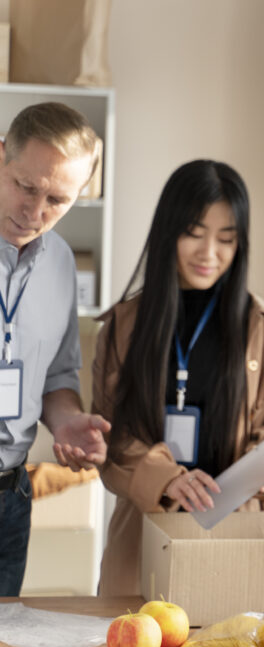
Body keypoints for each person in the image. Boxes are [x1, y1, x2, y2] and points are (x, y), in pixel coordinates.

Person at [92, 159, 264, 596]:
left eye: (226, 239)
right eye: (194, 233)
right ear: (167, 231)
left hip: (237, 546)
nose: (209, 253)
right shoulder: (123, 326)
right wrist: (167, 477)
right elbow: (110, 444)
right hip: (143, 541)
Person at [0, 102, 112, 596]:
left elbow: (56, 378)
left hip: (10, 497)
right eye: (26, 186)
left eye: (58, 200)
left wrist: (68, 421)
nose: (36, 211)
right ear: (2, 157)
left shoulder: (61, 262)